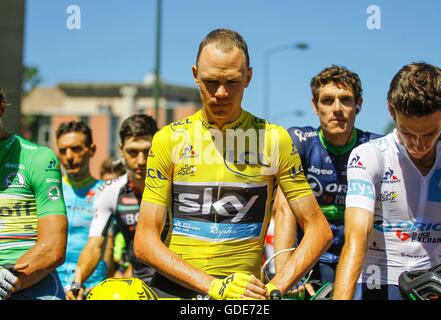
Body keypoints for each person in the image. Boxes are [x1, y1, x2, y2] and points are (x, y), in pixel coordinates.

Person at [134, 28, 332, 300]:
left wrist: (275, 288)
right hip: (175, 291)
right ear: (195, 75)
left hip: (244, 296)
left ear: (249, 76)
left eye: (232, 82)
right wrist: (213, 286)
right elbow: (144, 242)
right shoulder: (169, 139)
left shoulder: (273, 140)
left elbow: (319, 231)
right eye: (211, 82)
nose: (221, 93)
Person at [333, 62, 441, 300]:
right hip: (380, 280)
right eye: (407, 132)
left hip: (439, 281)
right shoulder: (368, 156)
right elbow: (356, 238)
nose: (418, 144)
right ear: (391, 110)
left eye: (429, 134)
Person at [273, 65, 381, 295]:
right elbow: (283, 209)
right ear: (315, 106)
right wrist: (285, 276)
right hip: (312, 256)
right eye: (328, 100)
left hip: (360, 256)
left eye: (346, 100)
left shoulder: (376, 147)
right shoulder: (300, 141)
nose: (337, 109)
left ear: (358, 104)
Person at [67, 114, 159, 300]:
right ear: (121, 151)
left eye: (147, 151)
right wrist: (77, 282)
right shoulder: (110, 191)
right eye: (133, 152)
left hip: (181, 286)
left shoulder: (177, 186)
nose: (141, 161)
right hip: (139, 287)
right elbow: (94, 245)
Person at [0, 85, 67, 300]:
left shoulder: (37, 158)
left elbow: (53, 248)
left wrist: (7, 280)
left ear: (1, 109)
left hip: (32, 287)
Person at [54, 121, 110, 297]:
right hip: (52, 285)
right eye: (63, 151)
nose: (69, 157)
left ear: (91, 150)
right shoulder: (50, 190)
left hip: (92, 287)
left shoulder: (108, 191)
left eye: (76, 149)